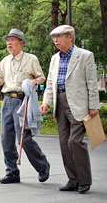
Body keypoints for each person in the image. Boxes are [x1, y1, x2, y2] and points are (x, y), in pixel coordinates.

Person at [0, 29, 50, 184]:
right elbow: (0, 80)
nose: (9, 43)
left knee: (24, 138)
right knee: (6, 138)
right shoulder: (4, 61)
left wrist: (33, 82)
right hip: (7, 100)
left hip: (23, 100)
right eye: (7, 40)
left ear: (21, 43)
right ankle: (12, 172)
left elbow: (41, 77)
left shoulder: (31, 59)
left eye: (13, 40)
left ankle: (43, 166)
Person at [40, 25, 100, 194]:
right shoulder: (55, 59)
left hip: (79, 104)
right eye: (53, 37)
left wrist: (94, 105)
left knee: (74, 141)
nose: (55, 40)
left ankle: (85, 180)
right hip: (59, 102)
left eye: (58, 37)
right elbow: (50, 84)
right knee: (64, 144)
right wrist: (47, 102)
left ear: (70, 37)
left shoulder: (85, 56)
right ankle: (73, 180)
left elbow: (92, 83)